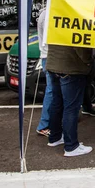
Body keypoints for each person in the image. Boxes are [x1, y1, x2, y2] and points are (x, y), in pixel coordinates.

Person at [46, 44, 94, 157]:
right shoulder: (76, 25)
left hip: (53, 64)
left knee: (57, 103)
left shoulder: (56, 25)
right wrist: (88, 60)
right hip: (71, 67)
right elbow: (80, 44)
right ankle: (71, 146)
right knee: (71, 108)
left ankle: (54, 137)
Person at [36, 8, 53, 137]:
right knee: (51, 91)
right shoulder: (49, 14)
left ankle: (47, 123)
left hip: (46, 55)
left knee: (52, 91)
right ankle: (44, 125)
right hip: (50, 56)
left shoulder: (43, 12)